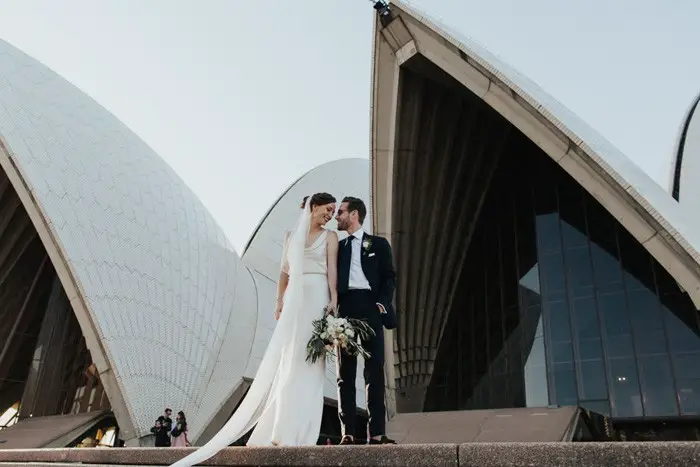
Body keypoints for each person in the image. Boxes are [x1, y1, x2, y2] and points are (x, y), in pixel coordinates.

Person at [171, 193, 338, 467]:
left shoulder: (330, 237)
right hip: (295, 299)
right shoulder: (290, 236)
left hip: (318, 296)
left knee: (312, 362)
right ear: (314, 207)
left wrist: (333, 300)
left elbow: (332, 270)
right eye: (327, 209)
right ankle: (281, 430)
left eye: (333, 211)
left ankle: (303, 432)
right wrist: (278, 303)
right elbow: (284, 273)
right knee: (289, 361)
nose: (329, 215)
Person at [335, 196, 396, 445]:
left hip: (371, 308)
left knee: (374, 371)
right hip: (346, 309)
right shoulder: (338, 247)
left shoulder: (378, 244)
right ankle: (347, 433)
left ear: (355, 215)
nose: (337, 216)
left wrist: (381, 303)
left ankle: (378, 433)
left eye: (341, 212)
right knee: (344, 373)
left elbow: (389, 277)